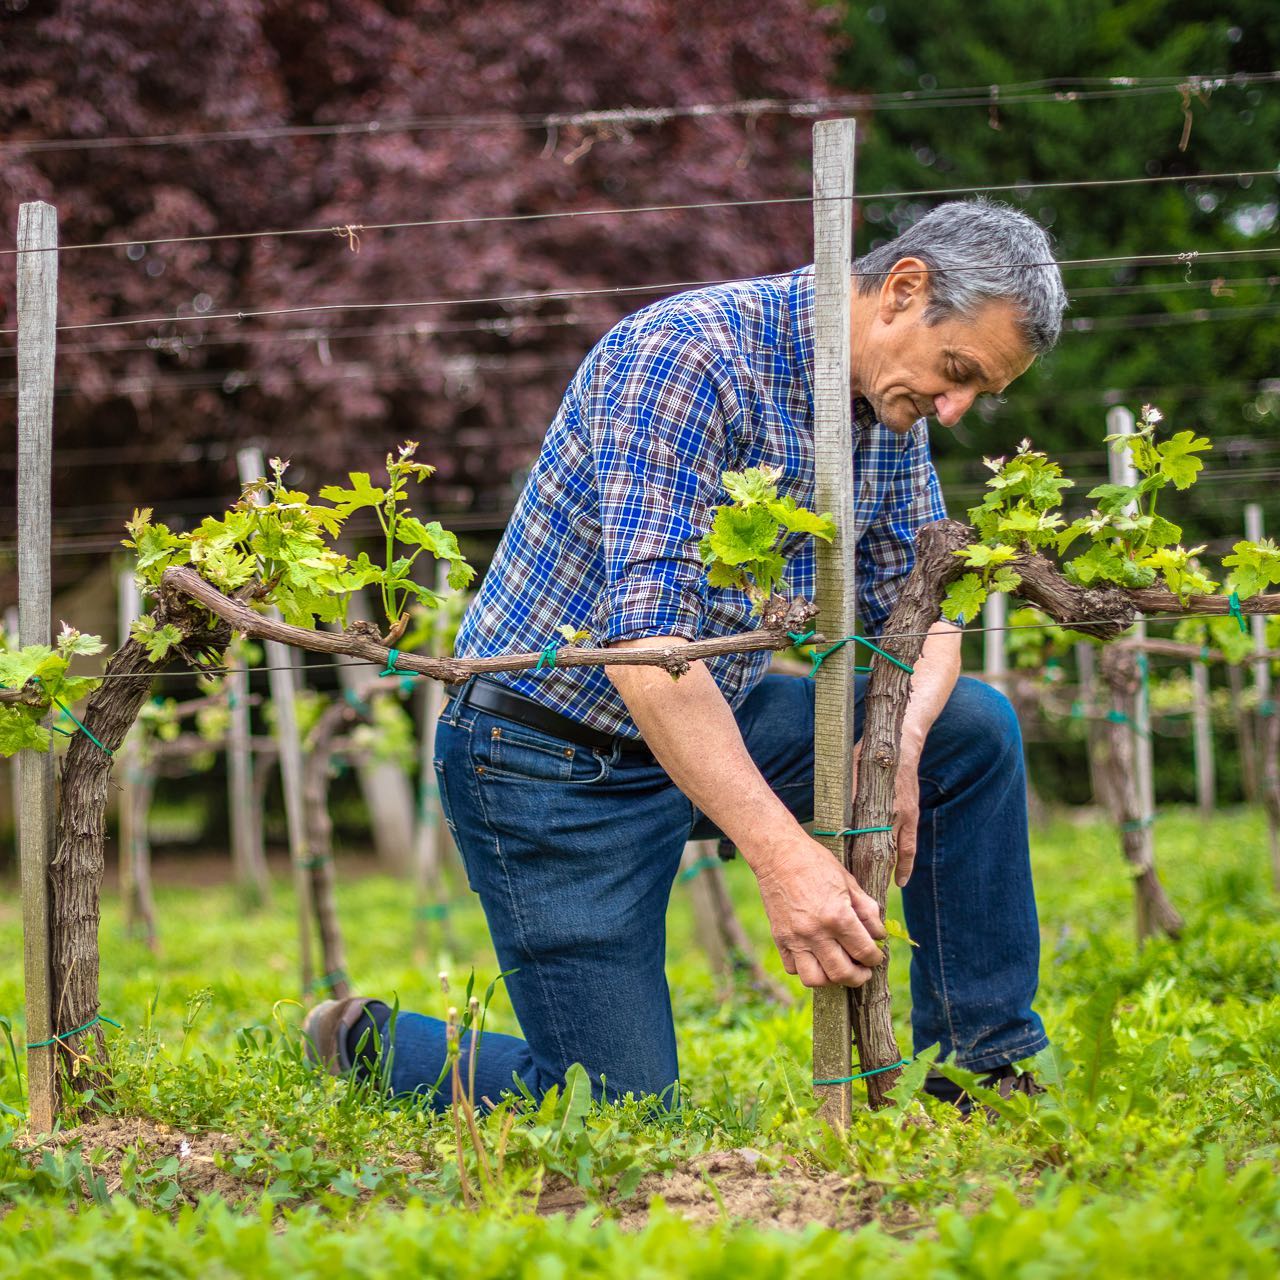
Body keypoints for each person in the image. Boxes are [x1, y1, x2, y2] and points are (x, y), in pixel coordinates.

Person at [304, 198, 1069, 1112]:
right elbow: (645, 653)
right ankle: (364, 1041)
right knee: (619, 1109)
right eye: (957, 373)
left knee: (969, 729)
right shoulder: (688, 356)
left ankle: (984, 1067)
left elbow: (922, 612)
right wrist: (787, 861)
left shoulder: (883, 407)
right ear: (904, 291)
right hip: (548, 760)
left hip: (716, 720)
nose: (954, 409)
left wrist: (893, 748)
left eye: (980, 392)